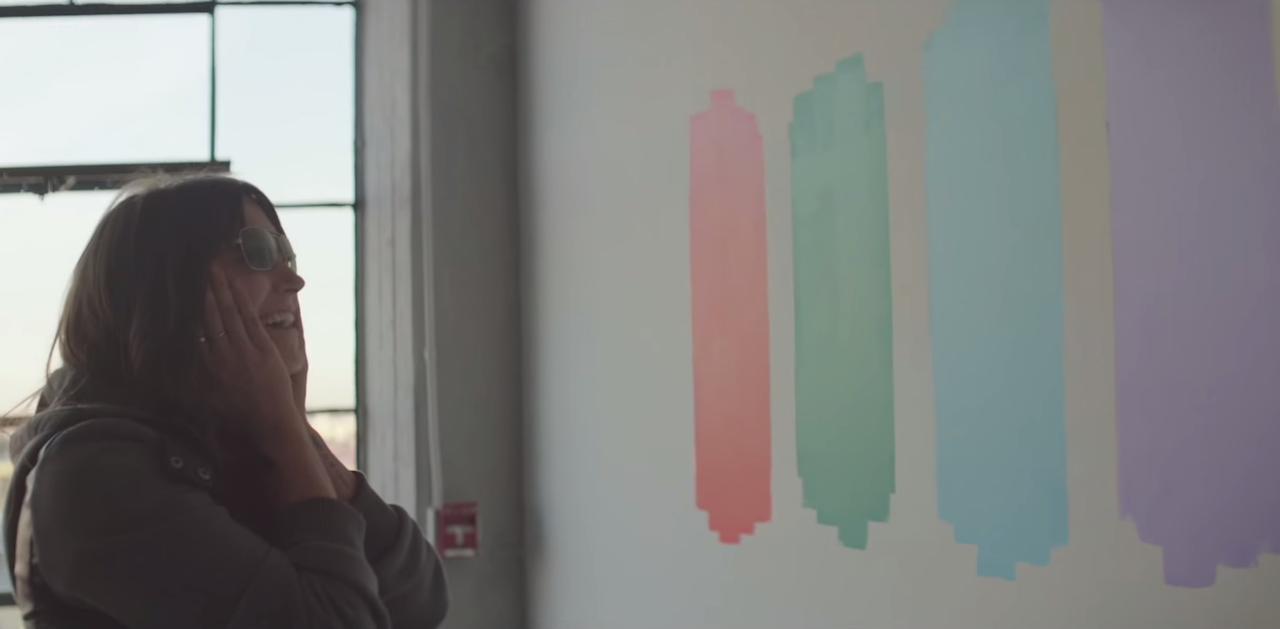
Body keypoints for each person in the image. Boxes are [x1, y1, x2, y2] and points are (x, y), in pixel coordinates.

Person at [1, 175, 449, 628]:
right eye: (256, 252)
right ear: (166, 289)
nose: (294, 280)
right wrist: (283, 431)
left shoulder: (230, 436)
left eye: (286, 254)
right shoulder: (92, 476)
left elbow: (422, 601)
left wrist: (295, 431)